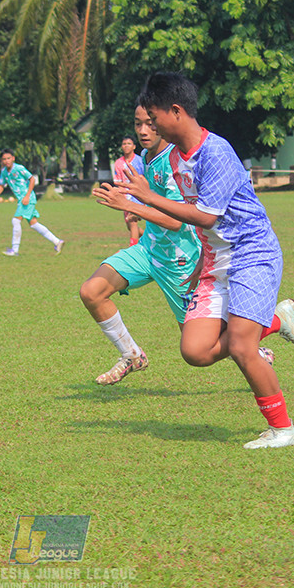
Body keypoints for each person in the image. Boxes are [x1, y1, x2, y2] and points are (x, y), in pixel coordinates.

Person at [119, 73, 294, 449]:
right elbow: (194, 216)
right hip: (214, 261)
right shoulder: (176, 157)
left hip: (252, 253)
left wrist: (144, 198)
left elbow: (206, 215)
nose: (151, 126)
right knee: (195, 351)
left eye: (154, 118)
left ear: (176, 112)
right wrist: (199, 266)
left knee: (242, 347)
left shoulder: (217, 152)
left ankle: (283, 429)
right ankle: (277, 319)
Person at [82, 106, 202, 384]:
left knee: (200, 346)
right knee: (92, 291)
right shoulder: (147, 157)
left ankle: (273, 327)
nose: (144, 131)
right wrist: (127, 197)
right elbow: (149, 198)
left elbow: (178, 221)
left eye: (150, 124)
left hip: (179, 260)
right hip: (148, 249)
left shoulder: (176, 162)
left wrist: (129, 204)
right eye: (138, 124)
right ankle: (132, 355)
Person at [0, 149, 64, 256]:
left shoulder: (19, 168)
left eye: (8, 158)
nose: (6, 161)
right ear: (1, 160)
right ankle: (57, 242)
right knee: (34, 224)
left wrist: (27, 196)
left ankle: (14, 250)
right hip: (22, 199)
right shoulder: (4, 172)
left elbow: (32, 179)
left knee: (15, 221)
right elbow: (1, 185)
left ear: (13, 158)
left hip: (27, 199)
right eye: (4, 159)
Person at [112, 136, 145, 245]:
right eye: (124, 144)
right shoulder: (118, 163)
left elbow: (145, 179)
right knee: (130, 226)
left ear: (134, 147)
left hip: (137, 196)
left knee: (132, 221)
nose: (126, 146)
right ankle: (149, 238)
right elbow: (118, 182)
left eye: (129, 143)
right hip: (125, 196)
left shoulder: (140, 161)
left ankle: (132, 248)